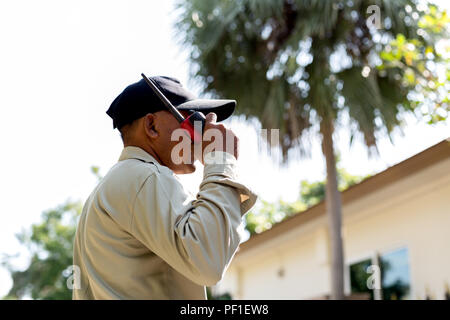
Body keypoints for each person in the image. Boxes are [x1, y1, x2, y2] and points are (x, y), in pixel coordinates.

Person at [72, 75, 257, 299]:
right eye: (195, 121)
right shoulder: (144, 177)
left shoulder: (116, 185)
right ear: (151, 126)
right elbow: (210, 261)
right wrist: (220, 160)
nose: (203, 133)